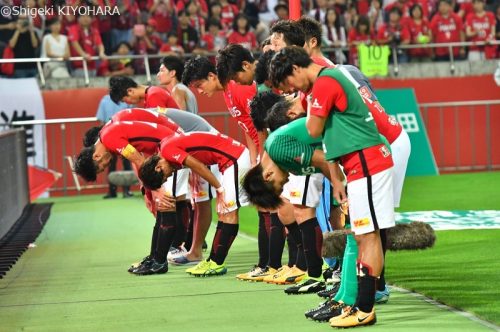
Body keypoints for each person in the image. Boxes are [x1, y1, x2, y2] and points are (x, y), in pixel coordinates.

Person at [269, 46, 395, 328]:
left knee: (368, 236)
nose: (292, 90)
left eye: (289, 83)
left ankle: (365, 308)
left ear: (296, 69)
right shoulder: (322, 84)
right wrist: (337, 178)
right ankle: (360, 306)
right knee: (363, 236)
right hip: (358, 166)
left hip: (369, 164)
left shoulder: (326, 82)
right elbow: (328, 137)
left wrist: (309, 100)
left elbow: (313, 130)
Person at [75, 120, 181, 275]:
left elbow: (138, 159)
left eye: (103, 166)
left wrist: (154, 187)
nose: (106, 165)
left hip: (171, 147)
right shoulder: (108, 137)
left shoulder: (110, 138)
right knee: (160, 205)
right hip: (164, 148)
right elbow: (136, 160)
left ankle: (160, 261)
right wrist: (147, 189)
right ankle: (155, 258)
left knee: (165, 204)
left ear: (96, 156)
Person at [139, 131, 251, 277]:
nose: (170, 176)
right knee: (224, 212)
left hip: (234, 159)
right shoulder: (164, 148)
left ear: (158, 167)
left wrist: (219, 188)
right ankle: (214, 261)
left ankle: (217, 263)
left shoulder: (167, 150)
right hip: (230, 159)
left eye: (165, 176)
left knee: (228, 211)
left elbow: (198, 165)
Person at [95, 95, 133, 198]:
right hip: (125, 137)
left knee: (110, 164)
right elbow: (132, 118)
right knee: (126, 163)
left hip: (109, 136)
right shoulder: (126, 99)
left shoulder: (104, 100)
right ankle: (126, 191)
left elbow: (102, 122)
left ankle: (112, 192)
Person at [68, 12, 106, 77]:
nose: (85, 19)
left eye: (88, 16)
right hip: (78, 67)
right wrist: (83, 54)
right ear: (78, 19)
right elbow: (74, 42)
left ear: (91, 19)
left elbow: (99, 44)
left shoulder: (94, 30)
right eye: (83, 16)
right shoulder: (73, 28)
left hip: (92, 66)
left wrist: (101, 53)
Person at [109, 76, 179, 108]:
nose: (128, 103)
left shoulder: (153, 95)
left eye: (124, 100)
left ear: (130, 91)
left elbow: (161, 124)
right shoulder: (149, 95)